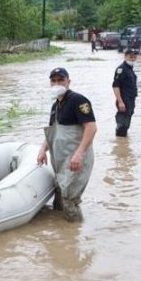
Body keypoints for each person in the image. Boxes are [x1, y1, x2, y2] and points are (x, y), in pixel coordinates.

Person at [37, 67, 97, 221]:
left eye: (61, 80)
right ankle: (60, 233)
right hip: (61, 159)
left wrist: (79, 154)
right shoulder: (55, 105)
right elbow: (53, 131)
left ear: (68, 82)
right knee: (59, 192)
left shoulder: (78, 101)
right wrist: (43, 149)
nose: (57, 83)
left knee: (70, 198)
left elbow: (91, 127)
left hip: (76, 158)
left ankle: (73, 235)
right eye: (54, 80)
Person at [112, 49, 139, 137]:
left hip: (130, 100)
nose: (132, 59)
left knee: (126, 122)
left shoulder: (130, 69)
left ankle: (122, 144)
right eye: (130, 57)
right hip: (124, 100)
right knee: (122, 125)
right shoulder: (121, 69)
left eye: (134, 57)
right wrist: (120, 101)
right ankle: (119, 146)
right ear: (125, 56)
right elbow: (116, 86)